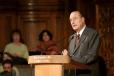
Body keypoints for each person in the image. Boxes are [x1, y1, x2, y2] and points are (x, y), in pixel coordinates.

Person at [62, 11, 100, 76]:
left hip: (88, 73)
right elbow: (70, 61)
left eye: (75, 18)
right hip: (73, 73)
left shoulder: (92, 34)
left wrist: (69, 57)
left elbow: (91, 57)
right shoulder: (71, 38)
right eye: (70, 20)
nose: (72, 22)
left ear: (82, 19)